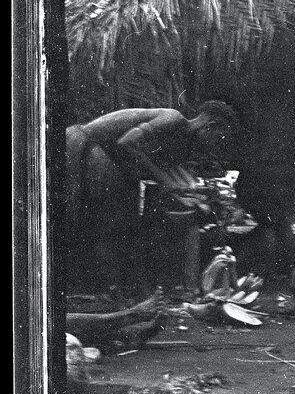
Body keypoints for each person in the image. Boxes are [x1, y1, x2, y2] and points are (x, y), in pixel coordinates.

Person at [65, 100, 239, 292]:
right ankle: (110, 289)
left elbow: (152, 167)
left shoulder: (182, 141)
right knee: (113, 221)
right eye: (219, 138)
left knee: (127, 221)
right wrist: (164, 180)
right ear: (210, 126)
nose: (217, 145)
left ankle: (119, 288)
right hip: (88, 144)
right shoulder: (173, 119)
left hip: (110, 157)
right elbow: (126, 142)